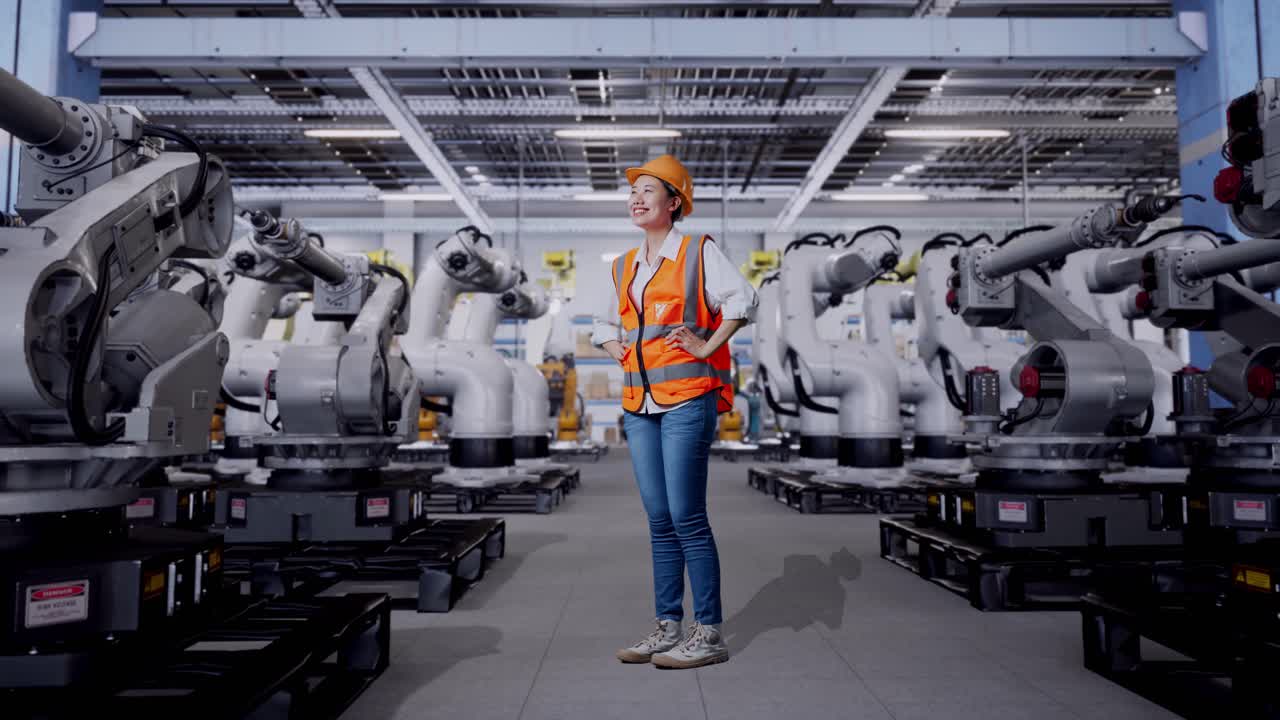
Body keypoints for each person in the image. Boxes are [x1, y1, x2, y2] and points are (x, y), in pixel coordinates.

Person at [592, 154, 758, 669]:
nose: (637, 198)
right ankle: (668, 625)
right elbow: (603, 324)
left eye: (649, 190)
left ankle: (708, 632)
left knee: (687, 516)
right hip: (639, 404)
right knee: (659, 519)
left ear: (675, 202)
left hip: (688, 399)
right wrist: (612, 346)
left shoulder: (697, 253)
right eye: (633, 191)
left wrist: (709, 349)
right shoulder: (623, 265)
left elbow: (743, 299)